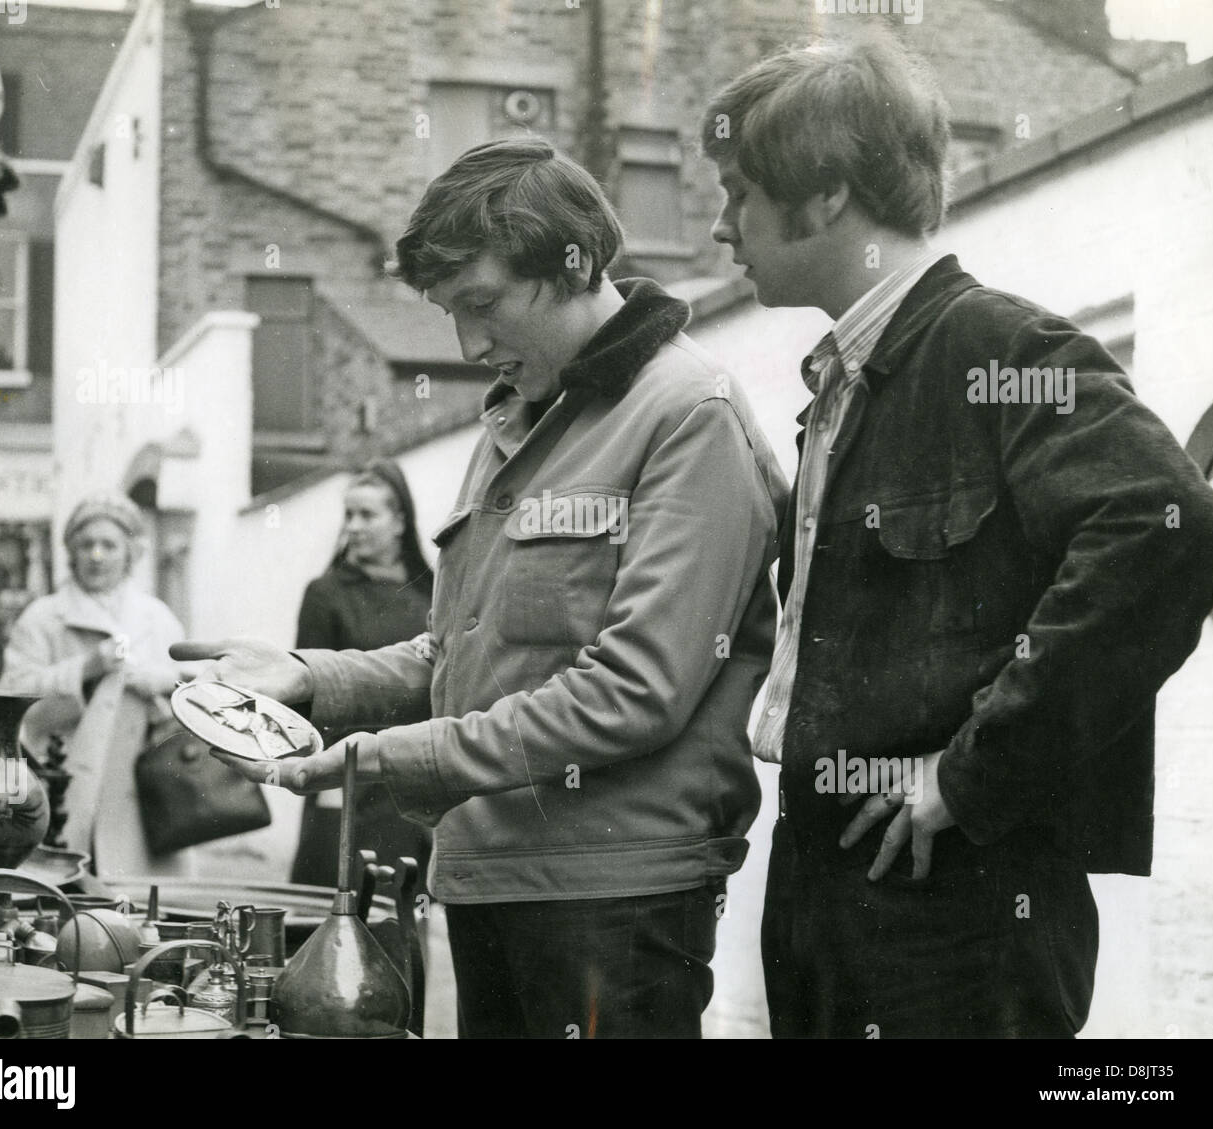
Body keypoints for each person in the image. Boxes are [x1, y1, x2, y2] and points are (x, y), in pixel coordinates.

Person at [173, 137, 788, 1038]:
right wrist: (311, 677)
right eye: (450, 311)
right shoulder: (516, 419)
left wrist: (382, 759)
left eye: (483, 302)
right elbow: (461, 652)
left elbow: (635, 693)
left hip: (614, 900)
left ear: (574, 262)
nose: (468, 342)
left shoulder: (687, 416)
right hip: (490, 879)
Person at [701, 31, 1213, 1038]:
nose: (724, 227)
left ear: (825, 196)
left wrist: (969, 774)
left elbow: (1167, 532)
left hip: (955, 913)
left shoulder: (999, 347)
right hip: (829, 877)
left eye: (739, 191)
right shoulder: (843, 385)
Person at [2, 493, 190, 878]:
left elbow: (192, 691)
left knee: (144, 910)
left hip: (145, 798)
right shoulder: (44, 617)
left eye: (109, 545)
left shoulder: (156, 618)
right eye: (86, 544)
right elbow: (14, 698)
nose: (97, 555)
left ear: (130, 553)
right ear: (71, 552)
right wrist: (84, 669)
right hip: (63, 787)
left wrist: (163, 682)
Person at [290, 460, 433, 889]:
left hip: (407, 779)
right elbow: (306, 697)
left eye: (367, 515)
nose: (353, 526)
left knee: (400, 918)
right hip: (345, 779)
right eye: (348, 514)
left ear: (400, 522)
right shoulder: (326, 594)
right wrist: (325, 782)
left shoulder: (430, 592)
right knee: (336, 915)